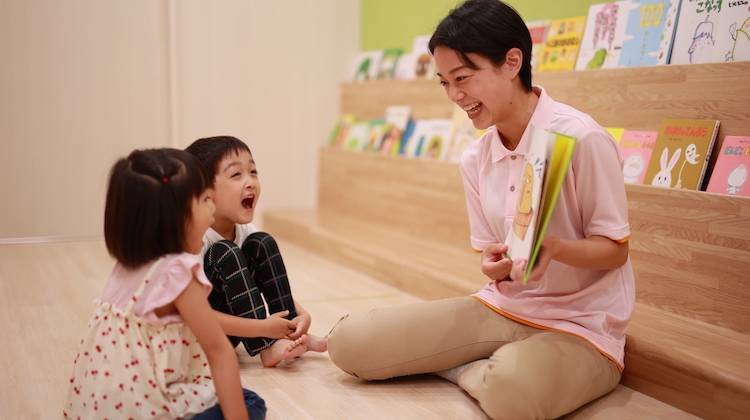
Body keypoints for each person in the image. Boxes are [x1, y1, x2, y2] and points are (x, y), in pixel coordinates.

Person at [327, 1, 635, 418]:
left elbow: (615, 250)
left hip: (582, 327)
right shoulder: (476, 157)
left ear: (512, 62)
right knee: (349, 342)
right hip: (501, 308)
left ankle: (467, 368)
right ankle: (479, 369)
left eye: (463, 78)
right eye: (444, 83)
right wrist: (494, 264)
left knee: (512, 392)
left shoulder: (582, 138)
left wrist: (556, 248)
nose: (456, 96)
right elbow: (492, 252)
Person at [63, 148, 266, 419]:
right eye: (206, 200)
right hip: (151, 409)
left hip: (101, 409)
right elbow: (220, 352)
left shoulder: (127, 267)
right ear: (178, 215)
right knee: (250, 401)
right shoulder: (177, 273)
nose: (213, 208)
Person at [186, 136, 327, 368]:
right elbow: (195, 314)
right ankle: (267, 347)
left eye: (253, 172)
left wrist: (302, 315)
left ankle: (291, 333)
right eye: (236, 175)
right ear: (205, 191)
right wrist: (262, 329)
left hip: (233, 334)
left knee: (262, 242)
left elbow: (263, 281)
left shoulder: (244, 229)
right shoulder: (194, 239)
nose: (250, 182)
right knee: (224, 252)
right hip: (200, 340)